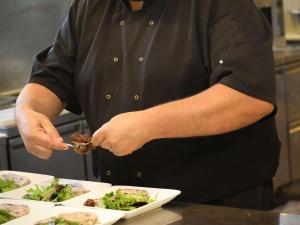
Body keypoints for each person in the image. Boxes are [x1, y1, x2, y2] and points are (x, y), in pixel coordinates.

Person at [15, 0, 280, 210]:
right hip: (120, 202)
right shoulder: (88, 7)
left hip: (214, 204)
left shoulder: (219, 4)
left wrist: (149, 124)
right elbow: (50, 78)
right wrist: (28, 112)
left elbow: (249, 95)